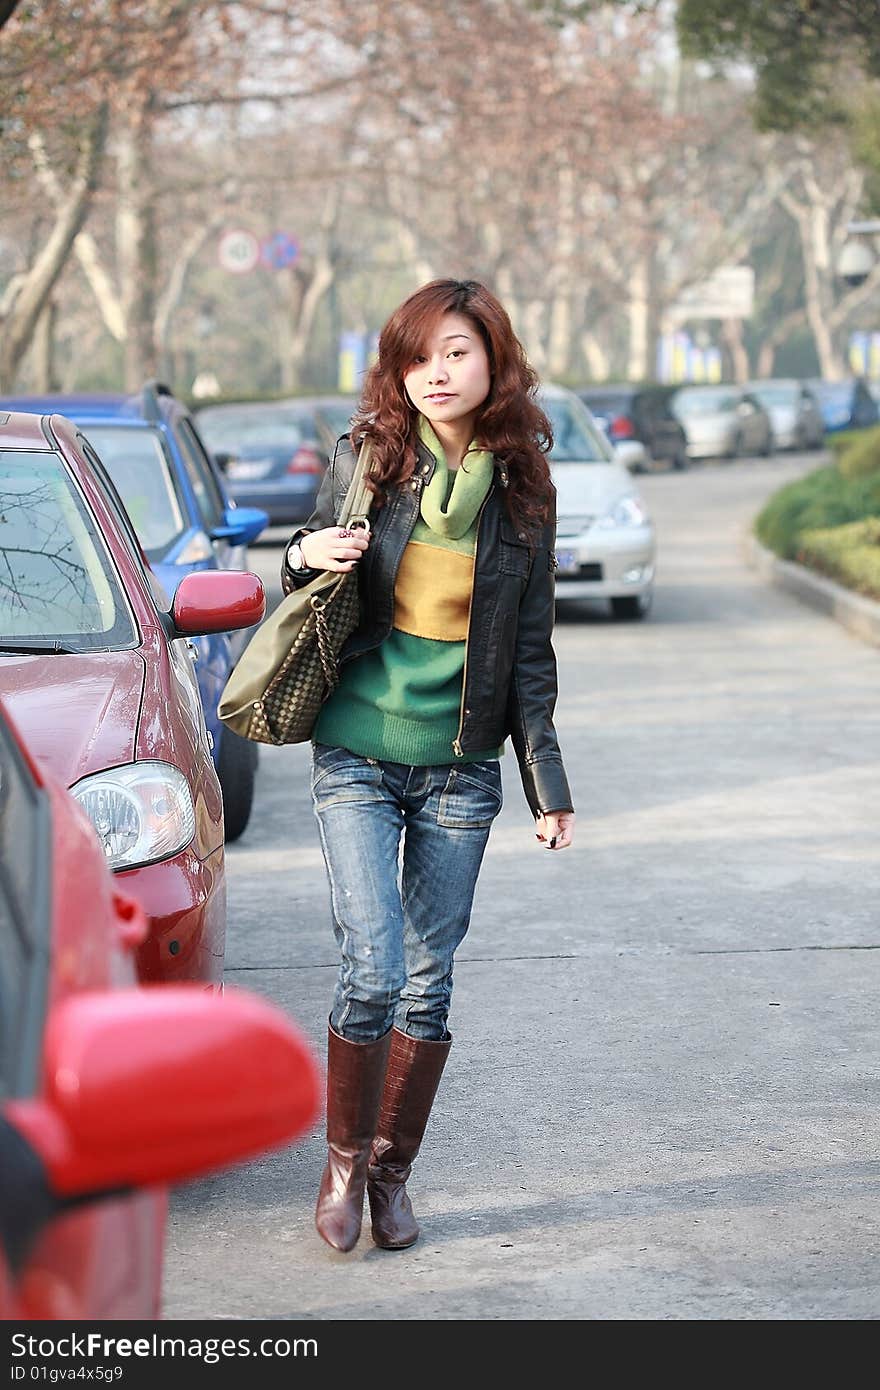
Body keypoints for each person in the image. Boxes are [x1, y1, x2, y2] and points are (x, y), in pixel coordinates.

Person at [281, 278, 575, 1253]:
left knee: (426, 982)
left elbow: (528, 650)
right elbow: (310, 574)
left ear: (492, 357)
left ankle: (389, 1177)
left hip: (459, 766)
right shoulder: (370, 457)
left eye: (455, 351)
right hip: (358, 747)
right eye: (417, 356)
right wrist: (300, 553)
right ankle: (340, 1164)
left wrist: (547, 784)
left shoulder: (527, 484)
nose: (435, 373)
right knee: (371, 962)